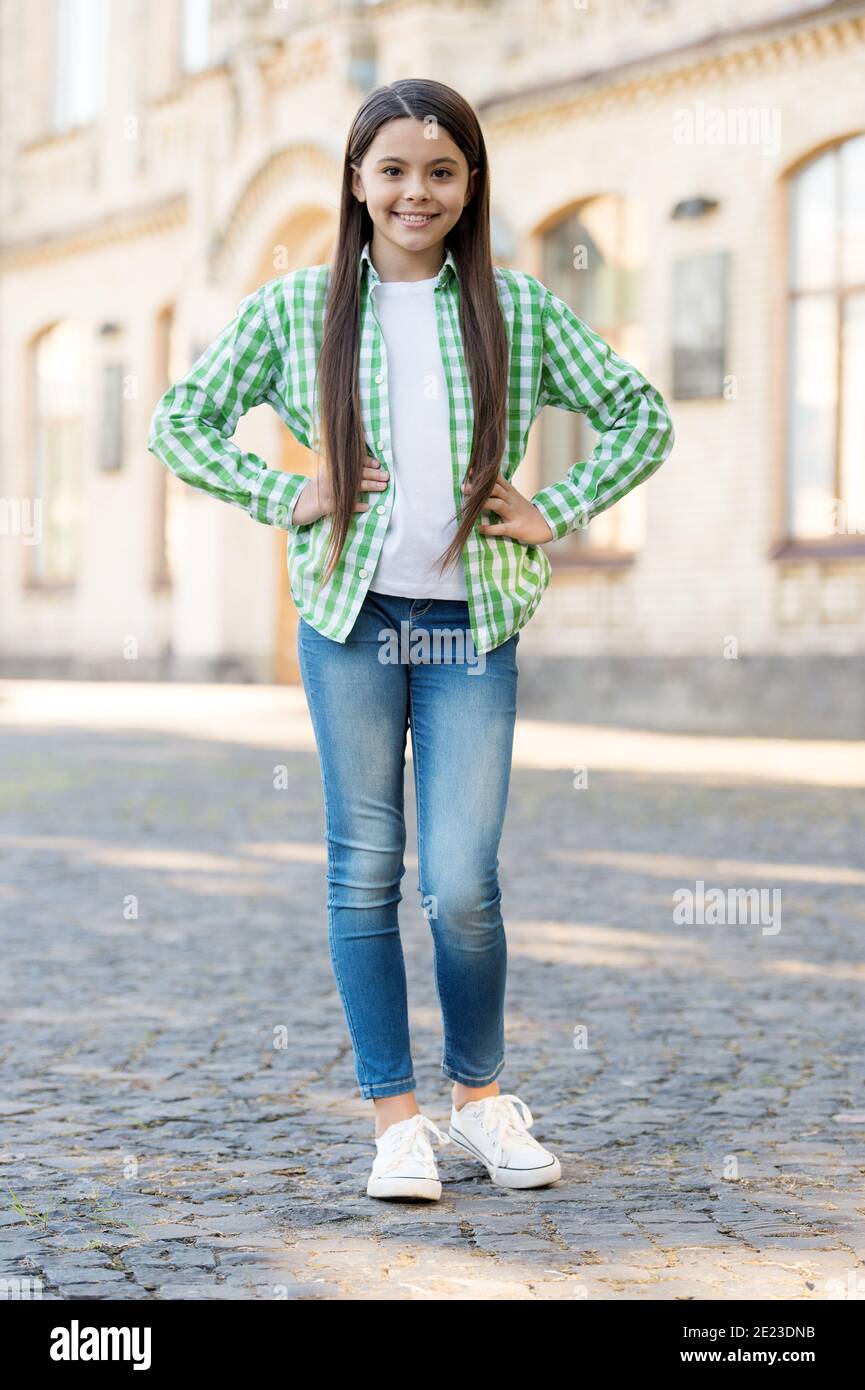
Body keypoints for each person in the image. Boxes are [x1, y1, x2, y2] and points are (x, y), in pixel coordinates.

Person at [147, 78, 676, 1202]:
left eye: (440, 170)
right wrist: (282, 489)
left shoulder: (515, 307)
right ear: (356, 182)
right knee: (366, 871)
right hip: (350, 622)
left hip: (470, 625)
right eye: (392, 169)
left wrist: (556, 508)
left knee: (463, 881)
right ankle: (396, 1123)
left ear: (468, 185)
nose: (415, 191)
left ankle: (480, 1101)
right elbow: (177, 422)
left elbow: (645, 411)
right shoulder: (298, 309)